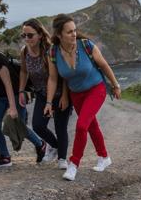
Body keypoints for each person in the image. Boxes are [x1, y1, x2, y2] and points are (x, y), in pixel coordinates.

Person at [44, 14, 121, 181]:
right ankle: (104, 157)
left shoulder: (86, 45)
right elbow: (53, 78)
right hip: (76, 94)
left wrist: (115, 85)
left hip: (96, 89)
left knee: (81, 126)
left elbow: (104, 65)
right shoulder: (52, 52)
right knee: (91, 126)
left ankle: (74, 164)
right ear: (59, 35)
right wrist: (49, 102)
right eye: (69, 32)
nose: (74, 34)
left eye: (75, 30)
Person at [0, 24, 47, 168]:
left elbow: (9, 85)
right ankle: (5, 157)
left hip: (16, 94)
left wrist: (12, 107)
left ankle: (40, 144)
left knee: (17, 126)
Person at [18, 18, 72, 168]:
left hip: (60, 93)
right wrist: (21, 90)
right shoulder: (24, 52)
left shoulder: (51, 50)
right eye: (24, 36)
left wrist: (65, 96)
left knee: (61, 127)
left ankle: (62, 158)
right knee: (38, 125)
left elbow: (63, 74)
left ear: (40, 34)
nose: (27, 39)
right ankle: (54, 146)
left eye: (30, 35)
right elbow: (23, 71)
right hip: (42, 94)